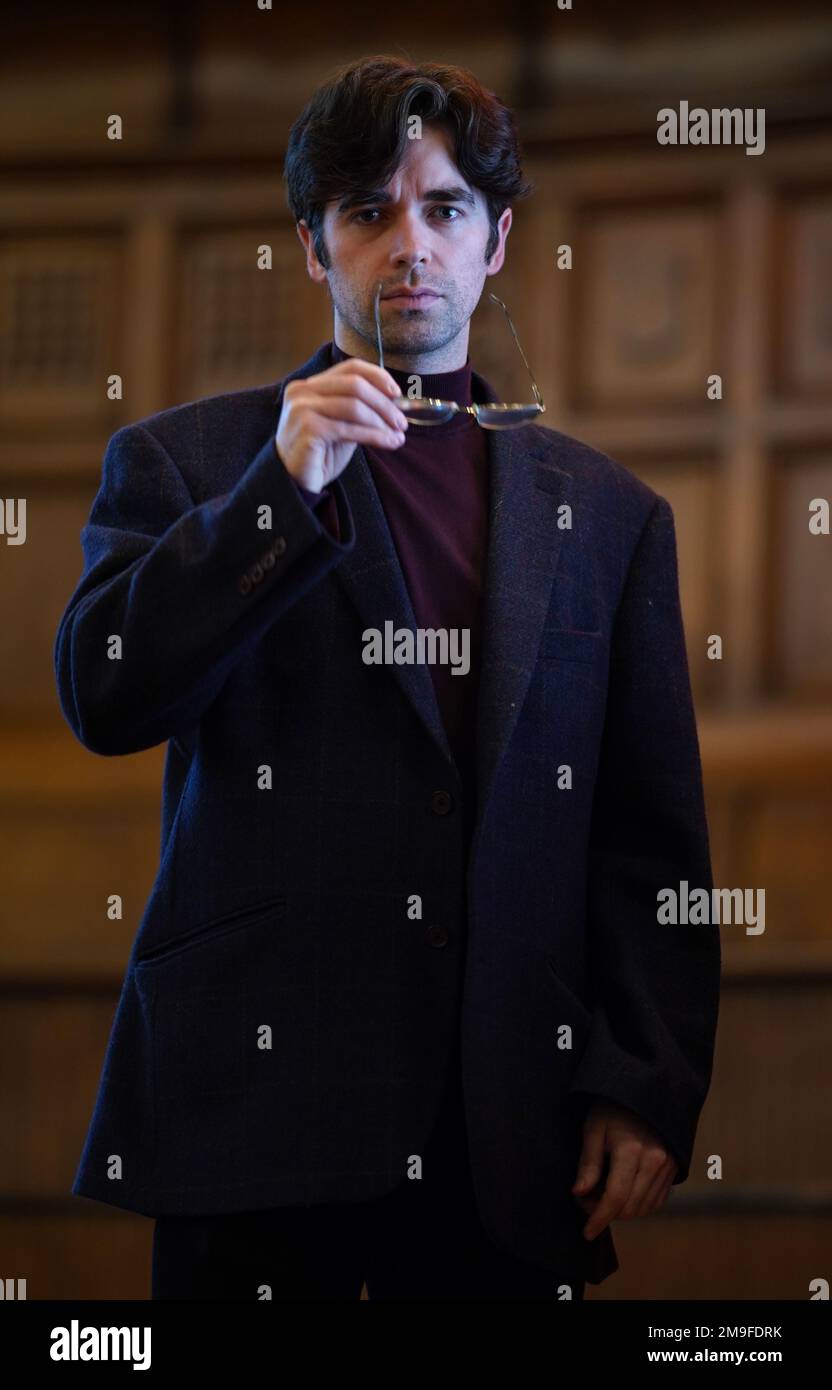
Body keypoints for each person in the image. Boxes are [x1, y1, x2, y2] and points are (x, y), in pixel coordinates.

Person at [54, 54, 721, 1300]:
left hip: (508, 1133)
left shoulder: (611, 515)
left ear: (496, 238)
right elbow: (106, 696)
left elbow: (651, 840)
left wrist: (643, 1083)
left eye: (444, 207)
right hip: (259, 1118)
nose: (408, 243)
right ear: (315, 248)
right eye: (367, 212)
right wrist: (277, 495)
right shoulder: (184, 463)